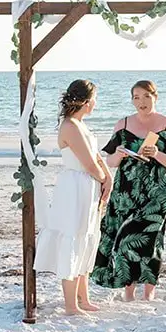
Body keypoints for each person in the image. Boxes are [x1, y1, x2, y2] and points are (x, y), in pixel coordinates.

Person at [93, 80, 166, 301]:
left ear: (155, 97)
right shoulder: (122, 124)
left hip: (159, 191)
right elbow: (111, 161)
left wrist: (157, 154)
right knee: (123, 236)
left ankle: (149, 292)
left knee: (150, 238)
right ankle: (129, 289)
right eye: (136, 97)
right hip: (126, 191)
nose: (141, 102)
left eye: (145, 96)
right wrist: (121, 154)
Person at [35, 80, 110, 316]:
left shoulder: (81, 124)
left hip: (88, 185)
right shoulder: (70, 126)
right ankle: (71, 304)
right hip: (75, 186)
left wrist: (108, 178)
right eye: (94, 98)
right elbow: (88, 163)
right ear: (87, 102)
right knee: (73, 238)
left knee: (87, 237)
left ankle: (83, 297)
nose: (96, 103)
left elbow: (97, 157)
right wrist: (102, 179)